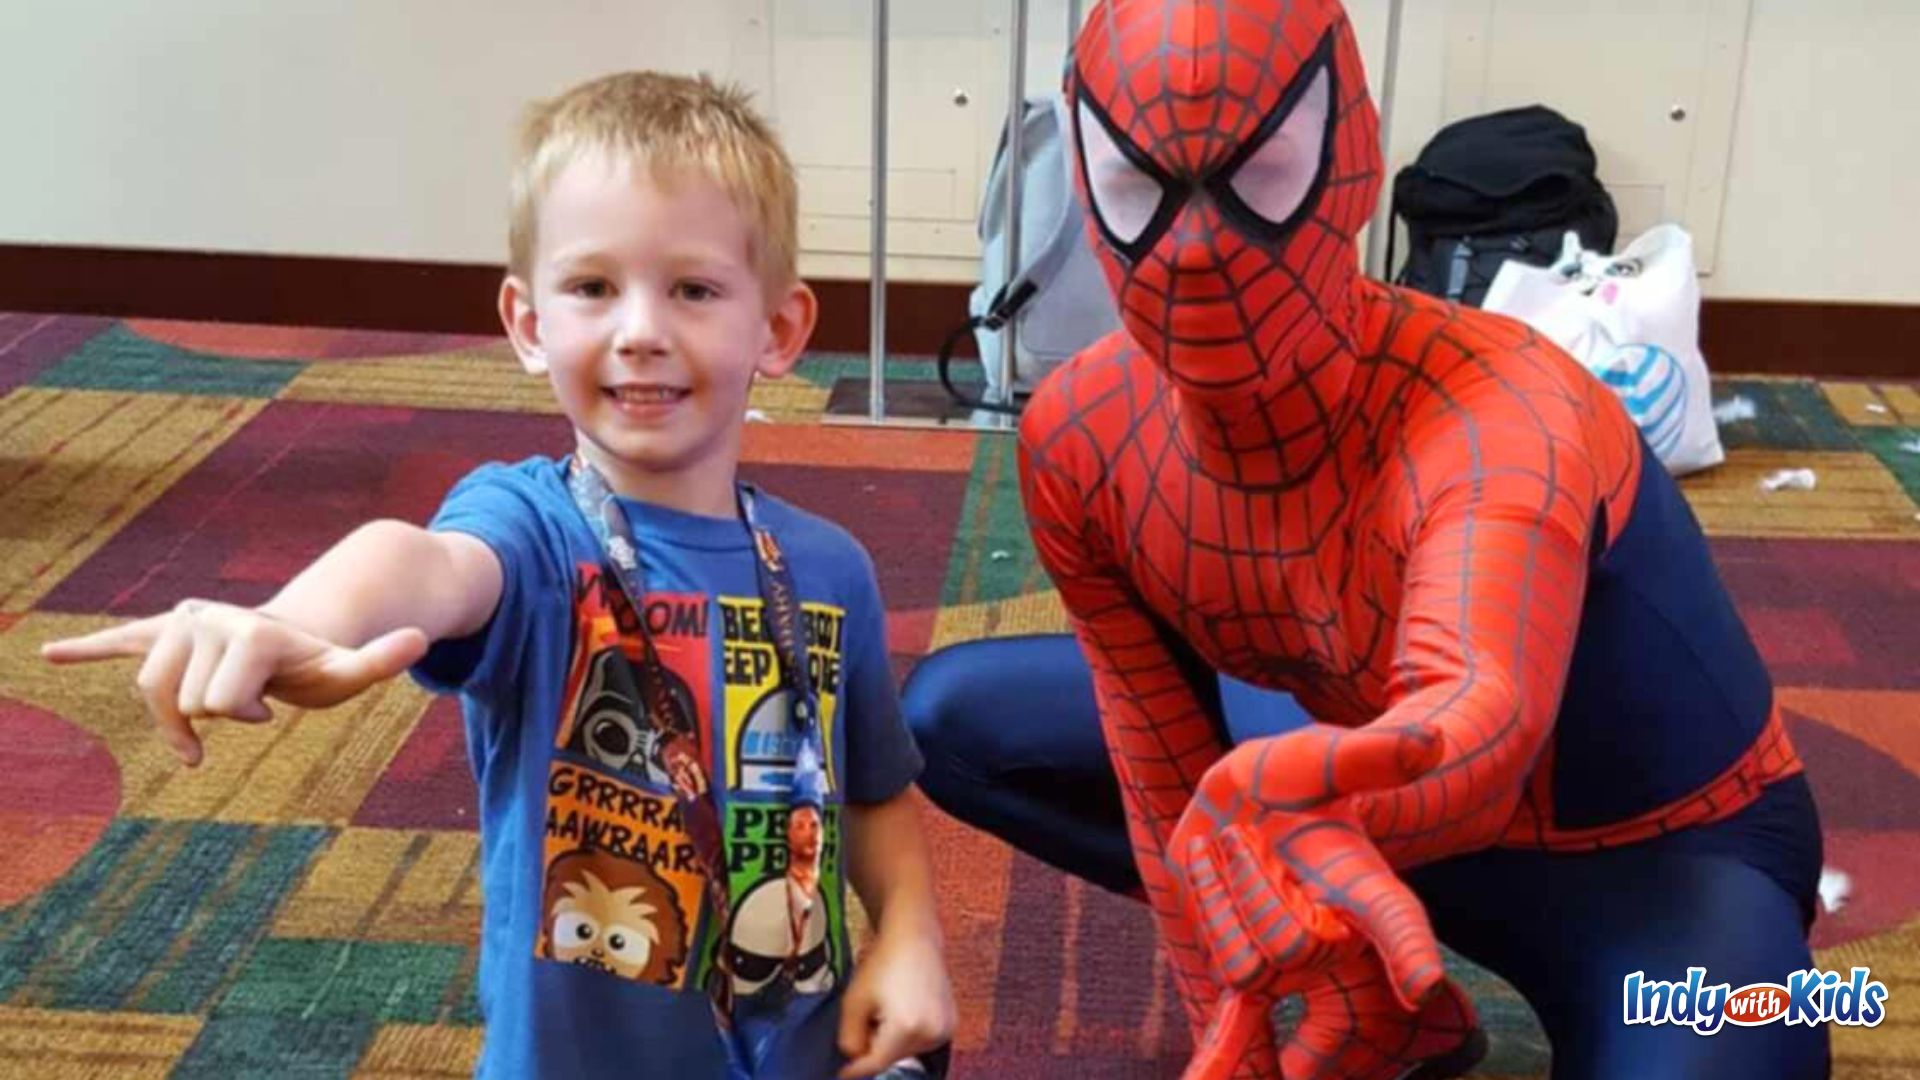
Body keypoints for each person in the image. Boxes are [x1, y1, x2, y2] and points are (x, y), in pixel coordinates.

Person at [901, 1, 1827, 1077]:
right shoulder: (1082, 436)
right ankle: (1397, 1004)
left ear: (1353, 154)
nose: (1196, 250)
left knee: (1727, 1053)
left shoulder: (1502, 413)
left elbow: (1480, 717)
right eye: (1136, 187)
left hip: (1661, 860)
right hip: (1361, 808)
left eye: (1262, 173)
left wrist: (1275, 809)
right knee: (953, 721)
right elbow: (1161, 773)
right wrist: (1230, 1035)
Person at [44, 71, 954, 1080]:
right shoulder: (532, 530)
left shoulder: (829, 571)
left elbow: (870, 790)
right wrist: (291, 618)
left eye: (693, 289)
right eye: (593, 287)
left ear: (777, 330)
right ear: (528, 323)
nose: (641, 328)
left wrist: (910, 934)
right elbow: (420, 563)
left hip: (795, 1052)